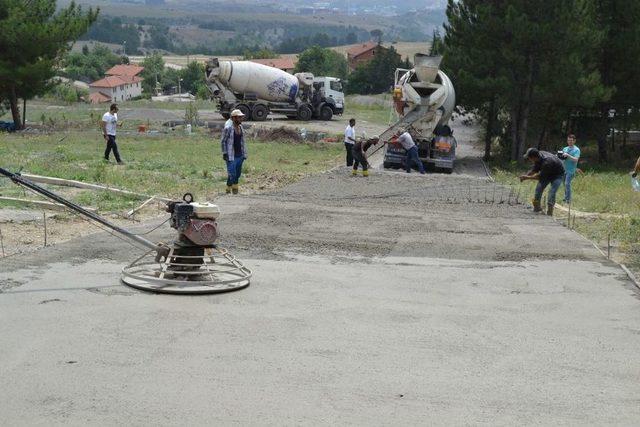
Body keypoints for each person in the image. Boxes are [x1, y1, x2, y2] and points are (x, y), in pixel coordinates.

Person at [519, 147, 565, 216]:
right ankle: (537, 208)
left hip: (557, 175)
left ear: (533, 157)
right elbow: (534, 170)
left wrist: (526, 177)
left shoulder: (547, 162)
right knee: (538, 190)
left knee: (552, 192)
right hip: (547, 173)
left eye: (529, 158)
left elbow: (539, 177)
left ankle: (549, 212)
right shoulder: (538, 156)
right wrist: (525, 175)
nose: (529, 159)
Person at [220, 109, 247, 194]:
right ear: (234, 118)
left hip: (240, 155)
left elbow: (243, 142)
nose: (241, 119)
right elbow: (223, 141)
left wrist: (244, 154)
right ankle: (229, 189)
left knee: (238, 174)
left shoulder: (241, 127)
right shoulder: (228, 128)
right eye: (239, 117)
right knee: (232, 174)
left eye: (241, 117)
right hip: (231, 155)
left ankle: (234, 190)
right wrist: (224, 153)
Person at [561, 134, 580, 203]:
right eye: (568, 140)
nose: (570, 142)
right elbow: (562, 159)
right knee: (564, 184)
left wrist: (568, 155)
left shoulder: (576, 150)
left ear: (574, 141)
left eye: (571, 140)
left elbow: (576, 160)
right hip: (564, 169)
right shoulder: (565, 148)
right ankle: (566, 197)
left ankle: (568, 200)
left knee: (567, 184)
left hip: (571, 170)